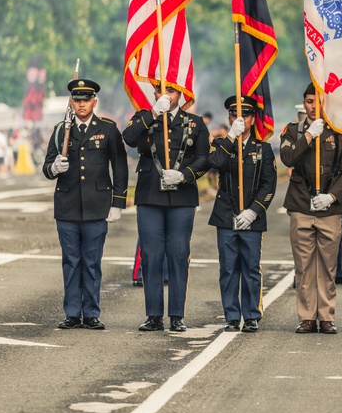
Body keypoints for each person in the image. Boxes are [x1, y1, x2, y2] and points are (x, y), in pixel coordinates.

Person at [122, 84, 211, 332]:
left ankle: (176, 315)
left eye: (171, 91)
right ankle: (153, 315)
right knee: (151, 256)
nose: (166, 96)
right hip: (150, 195)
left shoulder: (194, 123)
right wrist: (152, 113)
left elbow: (204, 158)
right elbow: (128, 139)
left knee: (179, 255)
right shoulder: (144, 117)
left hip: (181, 198)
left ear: (179, 94)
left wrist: (184, 176)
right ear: (154, 95)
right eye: (160, 92)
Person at [43, 79, 128, 330]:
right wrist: (55, 166)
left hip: (96, 206)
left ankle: (90, 312)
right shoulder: (61, 130)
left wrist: (118, 203)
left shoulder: (108, 129)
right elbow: (47, 167)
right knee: (70, 262)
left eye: (86, 100)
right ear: (71, 102)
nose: (81, 104)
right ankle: (72, 312)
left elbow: (119, 167)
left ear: (94, 102)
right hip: (68, 206)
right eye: (77, 100)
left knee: (91, 262)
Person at [280, 82, 342, 334]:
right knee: (303, 265)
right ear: (303, 103)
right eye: (309, 101)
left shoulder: (341, 133)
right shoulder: (293, 131)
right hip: (301, 204)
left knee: (327, 265)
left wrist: (333, 196)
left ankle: (326, 316)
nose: (313, 107)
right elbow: (288, 158)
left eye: (318, 101)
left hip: (329, 209)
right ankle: (306, 317)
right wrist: (309, 135)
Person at [207, 95, 277, 333]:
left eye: (245, 115)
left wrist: (254, 211)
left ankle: (251, 315)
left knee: (250, 268)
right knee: (228, 269)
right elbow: (215, 162)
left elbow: (269, 184)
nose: (240, 119)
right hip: (226, 215)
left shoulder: (263, 149)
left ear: (252, 119)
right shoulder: (221, 144)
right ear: (229, 118)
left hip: (251, 218)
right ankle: (231, 315)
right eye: (235, 115)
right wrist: (230, 136)